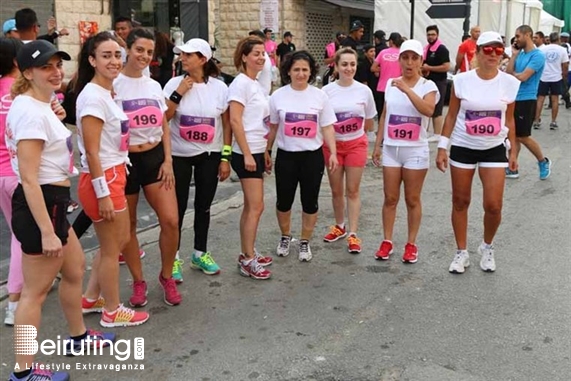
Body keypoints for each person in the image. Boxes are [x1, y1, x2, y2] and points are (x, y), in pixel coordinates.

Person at [6, 39, 115, 381]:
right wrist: (48, 230)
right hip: (41, 206)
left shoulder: (41, 104)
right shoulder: (29, 111)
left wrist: (58, 114)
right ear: (27, 72)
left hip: (53, 203)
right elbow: (28, 176)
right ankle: (23, 372)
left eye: (58, 65)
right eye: (45, 67)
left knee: (75, 268)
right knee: (33, 294)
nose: (56, 72)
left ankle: (78, 337)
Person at [75, 32, 150, 327]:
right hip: (103, 177)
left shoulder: (105, 92)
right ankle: (113, 311)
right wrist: (103, 193)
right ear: (92, 60)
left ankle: (92, 298)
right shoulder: (93, 97)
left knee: (116, 242)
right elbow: (92, 153)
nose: (114, 61)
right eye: (106, 56)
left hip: (114, 173)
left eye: (117, 55)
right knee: (111, 248)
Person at [436, 31, 520, 274]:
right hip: (463, 146)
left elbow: (510, 120)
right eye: (488, 50)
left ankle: (487, 246)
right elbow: (451, 115)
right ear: (478, 52)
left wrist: (513, 151)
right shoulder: (462, 80)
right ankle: (461, 252)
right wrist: (442, 146)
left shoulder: (510, 83)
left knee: (493, 205)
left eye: (498, 50)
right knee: (461, 201)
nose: (493, 54)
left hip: (494, 147)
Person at [113, 28, 181, 307]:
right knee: (126, 226)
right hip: (124, 161)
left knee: (171, 220)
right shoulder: (113, 83)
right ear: (128, 49)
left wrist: (168, 160)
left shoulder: (153, 85)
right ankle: (138, 281)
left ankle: (166, 276)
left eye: (149, 52)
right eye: (139, 49)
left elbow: (163, 124)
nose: (144, 56)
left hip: (154, 157)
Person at [163, 38, 232, 283]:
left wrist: (226, 157)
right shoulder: (173, 83)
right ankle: (174, 258)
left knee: (203, 206)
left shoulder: (220, 88)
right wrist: (179, 93)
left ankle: (199, 253)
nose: (183, 58)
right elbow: (166, 117)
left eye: (188, 55)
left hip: (210, 156)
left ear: (203, 59)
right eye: (182, 54)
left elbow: (226, 123)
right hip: (179, 156)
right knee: (177, 209)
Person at [266, 51, 338, 261]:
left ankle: (305, 241)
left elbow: (327, 128)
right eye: (296, 69)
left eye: (304, 70)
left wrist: (332, 153)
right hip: (287, 156)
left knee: (310, 201)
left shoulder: (320, 96)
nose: (300, 74)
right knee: (284, 201)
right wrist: (267, 151)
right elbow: (272, 127)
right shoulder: (278, 96)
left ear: (311, 72)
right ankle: (285, 236)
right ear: (288, 71)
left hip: (312, 156)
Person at [372, 40, 439, 264]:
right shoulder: (391, 82)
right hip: (392, 148)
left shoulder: (428, 86)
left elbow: (428, 111)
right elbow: (384, 115)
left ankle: (411, 243)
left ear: (421, 61)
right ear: (399, 60)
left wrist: (408, 90)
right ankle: (387, 240)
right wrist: (377, 145)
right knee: (390, 198)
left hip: (415, 150)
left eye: (414, 58)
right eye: (405, 57)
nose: (409, 63)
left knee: (412, 199)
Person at [322, 48, 376, 254]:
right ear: (336, 66)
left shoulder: (364, 91)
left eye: (352, 64)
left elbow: (369, 121)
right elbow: (323, 122)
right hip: (332, 147)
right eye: (344, 64)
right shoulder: (326, 92)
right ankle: (340, 226)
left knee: (352, 190)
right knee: (336, 190)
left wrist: (360, 137)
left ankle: (353, 233)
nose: (349, 68)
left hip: (356, 145)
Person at [229, 36, 274, 279]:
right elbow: (235, 120)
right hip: (245, 152)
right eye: (255, 53)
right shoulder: (241, 84)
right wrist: (247, 153)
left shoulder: (256, 84)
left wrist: (264, 151)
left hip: (257, 149)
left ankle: (248, 251)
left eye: (263, 53)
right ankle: (247, 259)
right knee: (256, 206)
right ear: (244, 56)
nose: (260, 57)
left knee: (251, 206)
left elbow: (260, 122)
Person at [505, 25, 551, 180]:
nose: (516, 39)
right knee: (513, 135)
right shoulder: (521, 54)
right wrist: (513, 55)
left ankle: (543, 161)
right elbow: (508, 73)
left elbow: (524, 77)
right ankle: (513, 167)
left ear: (528, 35)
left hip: (527, 98)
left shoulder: (537, 56)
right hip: (513, 98)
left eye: (518, 36)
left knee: (523, 136)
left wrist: (513, 75)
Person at [0, 37, 24, 327]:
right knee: (22, 237)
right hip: (20, 175)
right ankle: (14, 303)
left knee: (17, 232)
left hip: (0, 175)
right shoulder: (23, 93)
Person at [533, 32, 569, 130]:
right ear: (558, 39)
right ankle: (553, 121)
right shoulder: (562, 50)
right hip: (556, 77)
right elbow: (565, 65)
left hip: (543, 77)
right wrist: (564, 75)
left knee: (540, 99)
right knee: (555, 100)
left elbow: (538, 62)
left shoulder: (543, 49)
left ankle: (536, 120)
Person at [422, 25, 450, 143]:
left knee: (437, 108)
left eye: (433, 34)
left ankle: (437, 134)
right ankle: (427, 132)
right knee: (427, 107)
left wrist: (430, 68)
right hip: (428, 81)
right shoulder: (427, 48)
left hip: (439, 81)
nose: (430, 37)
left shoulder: (442, 49)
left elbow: (446, 67)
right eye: (428, 34)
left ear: (437, 35)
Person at [371, 32, 404, 118]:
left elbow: (373, 68)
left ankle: (381, 130)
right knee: (394, 113)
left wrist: (383, 68)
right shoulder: (402, 54)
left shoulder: (383, 52)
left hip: (382, 87)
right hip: (397, 87)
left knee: (382, 114)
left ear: (391, 41)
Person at [249, 30, 272, 96]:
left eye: (253, 40)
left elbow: (252, 79)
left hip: (258, 95)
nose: (249, 42)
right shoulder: (263, 55)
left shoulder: (261, 57)